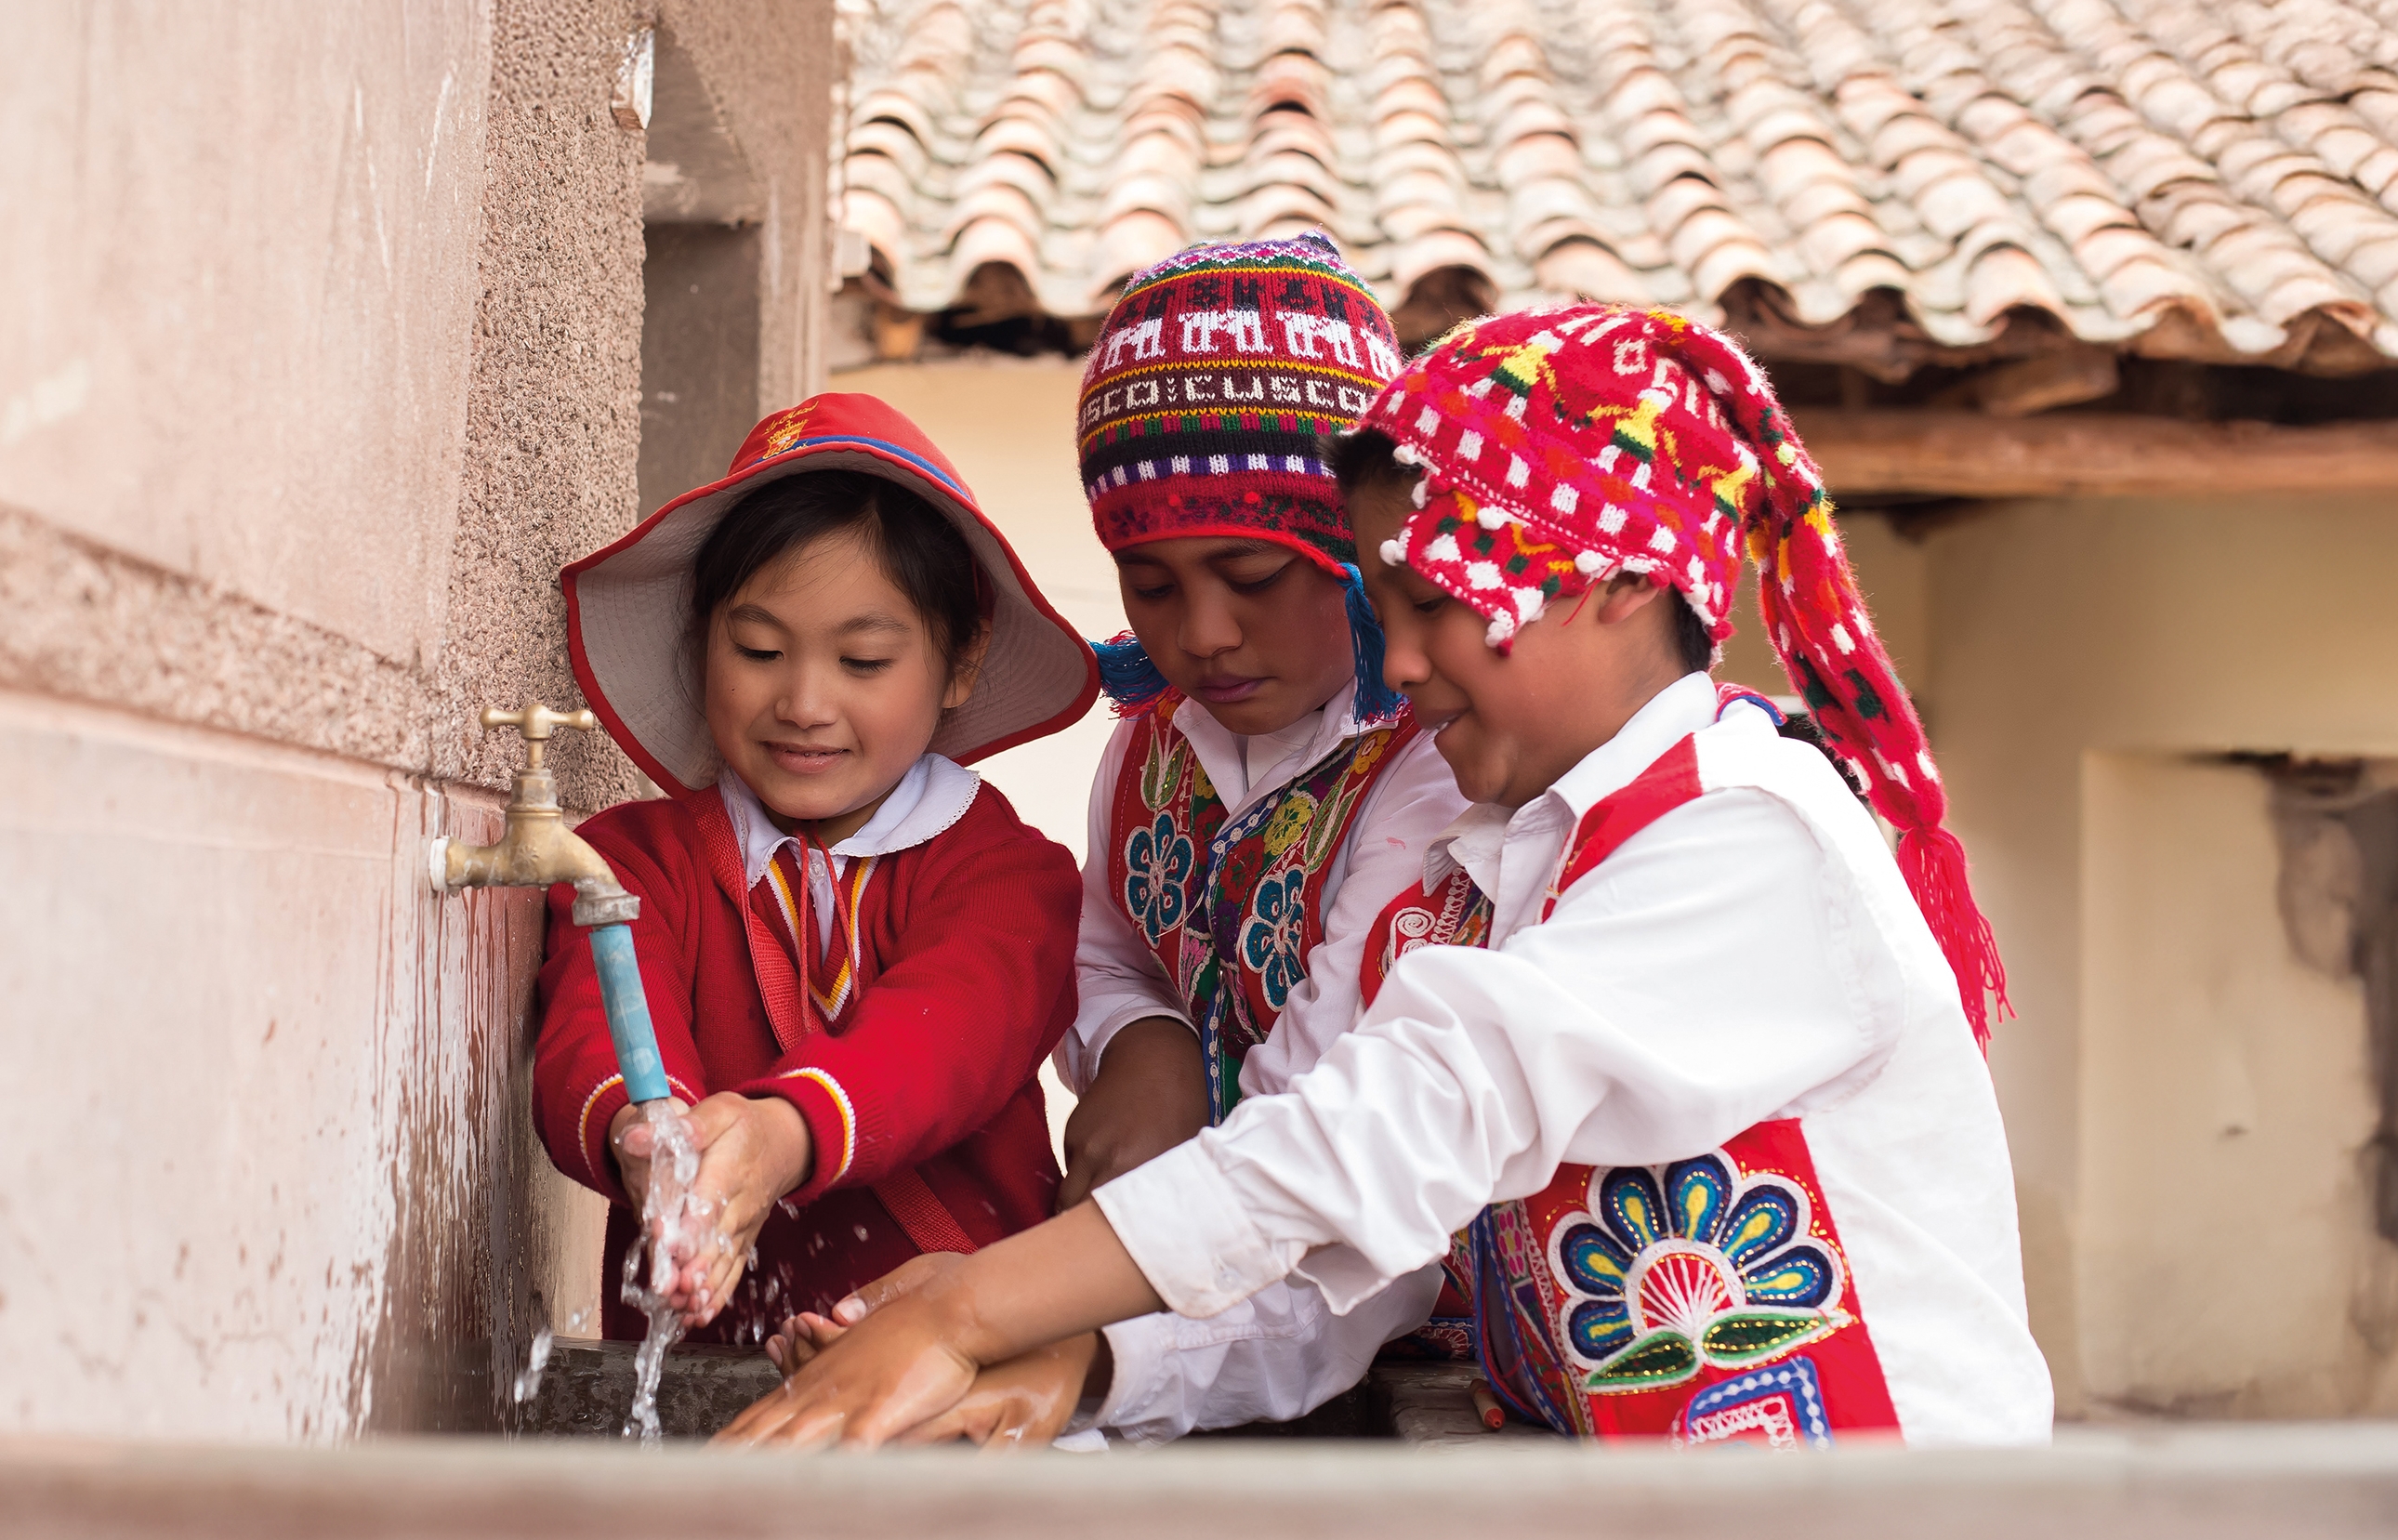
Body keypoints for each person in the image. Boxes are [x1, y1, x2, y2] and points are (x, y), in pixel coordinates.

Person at [717, 306, 2052, 1448]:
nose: (1398, 662)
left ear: (1615, 580)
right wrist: (1087, 1361)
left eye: (1432, 603)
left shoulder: (1746, 836)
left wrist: (970, 1308)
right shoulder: (1486, 874)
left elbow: (1385, 1129)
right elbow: (1348, 1266)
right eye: (1380, 603)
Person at [530, 392, 1097, 1344]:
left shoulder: (1011, 878)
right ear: (702, 640)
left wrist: (785, 1132)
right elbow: (602, 1020)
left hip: (963, 1350)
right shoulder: (631, 865)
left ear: (961, 661)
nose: (802, 701)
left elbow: (947, 1035)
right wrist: (654, 1139)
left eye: (863, 660)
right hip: (703, 1366)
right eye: (759, 649)